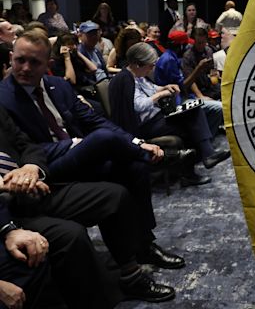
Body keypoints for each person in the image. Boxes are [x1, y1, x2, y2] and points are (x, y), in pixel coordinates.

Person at [0, 30, 187, 274]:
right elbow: (23, 150)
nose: (25, 67)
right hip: (45, 171)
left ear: (49, 64)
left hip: (84, 156)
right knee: (101, 139)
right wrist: (75, 143)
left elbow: (95, 120)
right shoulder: (3, 98)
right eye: (20, 60)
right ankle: (162, 160)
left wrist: (137, 142)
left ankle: (144, 244)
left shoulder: (58, 86)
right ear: (11, 57)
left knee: (133, 167)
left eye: (34, 62)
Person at [0, 105, 176, 306]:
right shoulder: (8, 95)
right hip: (8, 206)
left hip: (35, 187)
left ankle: (131, 276)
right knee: (71, 234)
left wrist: (32, 168)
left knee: (114, 195)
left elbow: (27, 146)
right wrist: (7, 219)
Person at [109, 42, 230, 171]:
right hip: (146, 125)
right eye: (150, 66)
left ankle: (207, 155)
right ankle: (196, 165)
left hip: (157, 117)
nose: (151, 69)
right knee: (190, 125)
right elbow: (139, 106)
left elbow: (151, 89)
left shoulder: (137, 76)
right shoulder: (126, 80)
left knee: (194, 110)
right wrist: (160, 95)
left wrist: (165, 87)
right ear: (138, 64)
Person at [154, 30, 224, 137]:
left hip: (186, 95)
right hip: (175, 102)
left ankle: (209, 136)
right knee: (218, 107)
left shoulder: (173, 57)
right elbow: (183, 86)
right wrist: (199, 69)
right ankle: (206, 140)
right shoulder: (169, 60)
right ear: (181, 46)